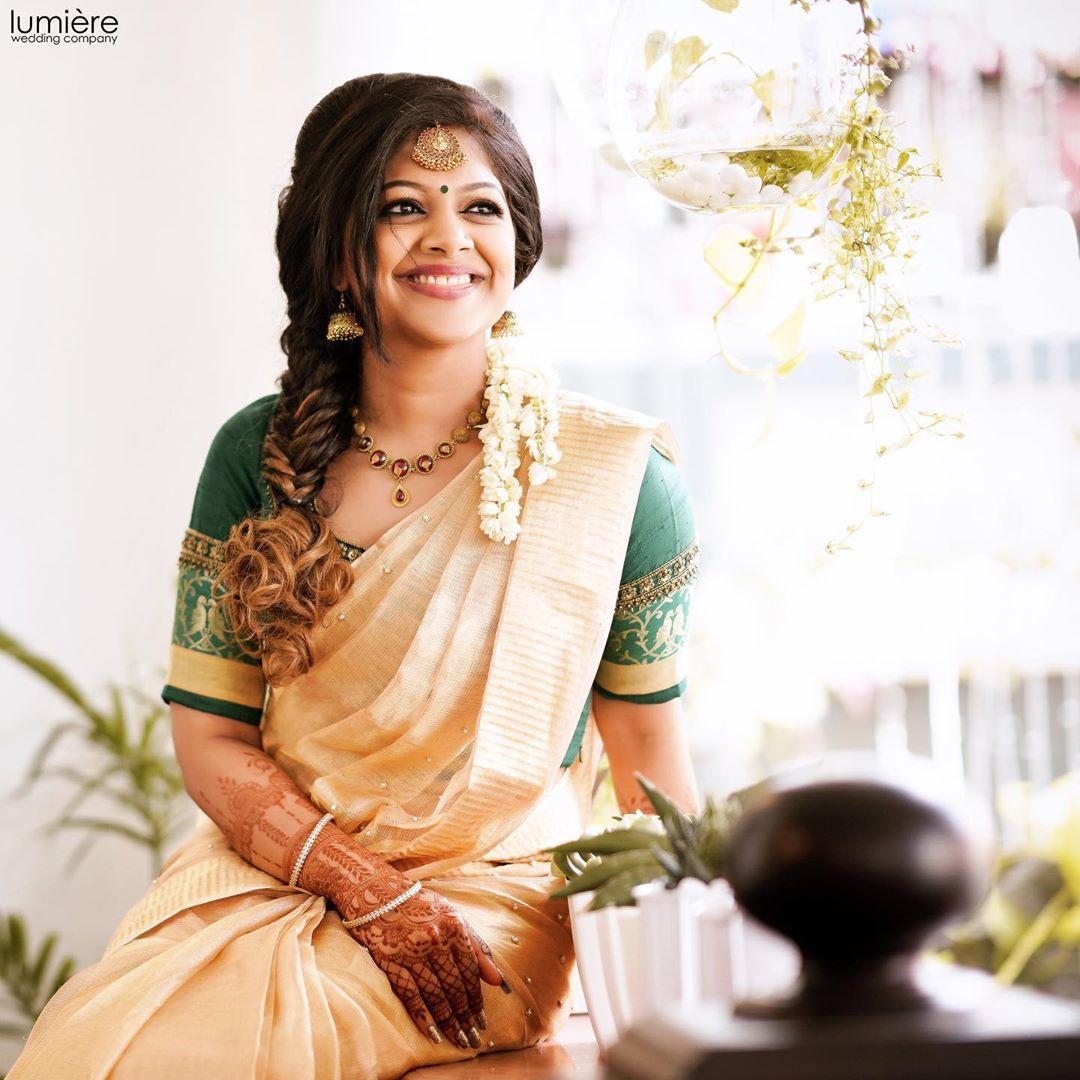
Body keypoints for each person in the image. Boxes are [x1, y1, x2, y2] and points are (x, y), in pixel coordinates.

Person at [9, 72, 701, 1079]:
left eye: (480, 209)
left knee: (230, 1049)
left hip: (484, 907)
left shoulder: (613, 478)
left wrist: (684, 995)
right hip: (270, 877)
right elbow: (209, 735)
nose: (449, 239)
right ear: (337, 250)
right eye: (402, 209)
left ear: (520, 244)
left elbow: (645, 756)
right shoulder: (256, 454)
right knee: (90, 1040)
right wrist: (361, 887)